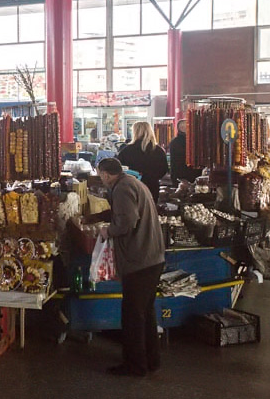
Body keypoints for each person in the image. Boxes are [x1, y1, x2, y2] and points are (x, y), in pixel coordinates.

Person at [97, 158, 165, 377]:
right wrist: (94, 218)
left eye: (101, 176)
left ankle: (135, 366)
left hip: (139, 260)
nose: (101, 179)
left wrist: (109, 231)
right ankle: (151, 360)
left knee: (133, 315)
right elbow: (122, 213)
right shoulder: (132, 182)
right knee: (145, 312)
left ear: (106, 174)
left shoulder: (122, 188)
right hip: (151, 257)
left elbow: (127, 221)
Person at [116, 122, 168, 203]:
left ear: (135, 132)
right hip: (152, 186)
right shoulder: (158, 150)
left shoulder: (126, 150)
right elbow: (164, 169)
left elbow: (119, 168)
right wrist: (152, 177)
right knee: (150, 211)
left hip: (131, 186)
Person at [169, 120, 201, 184]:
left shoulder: (196, 141)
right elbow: (173, 161)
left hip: (194, 173)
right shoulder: (174, 142)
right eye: (181, 126)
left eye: (185, 126)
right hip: (179, 174)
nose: (183, 128)